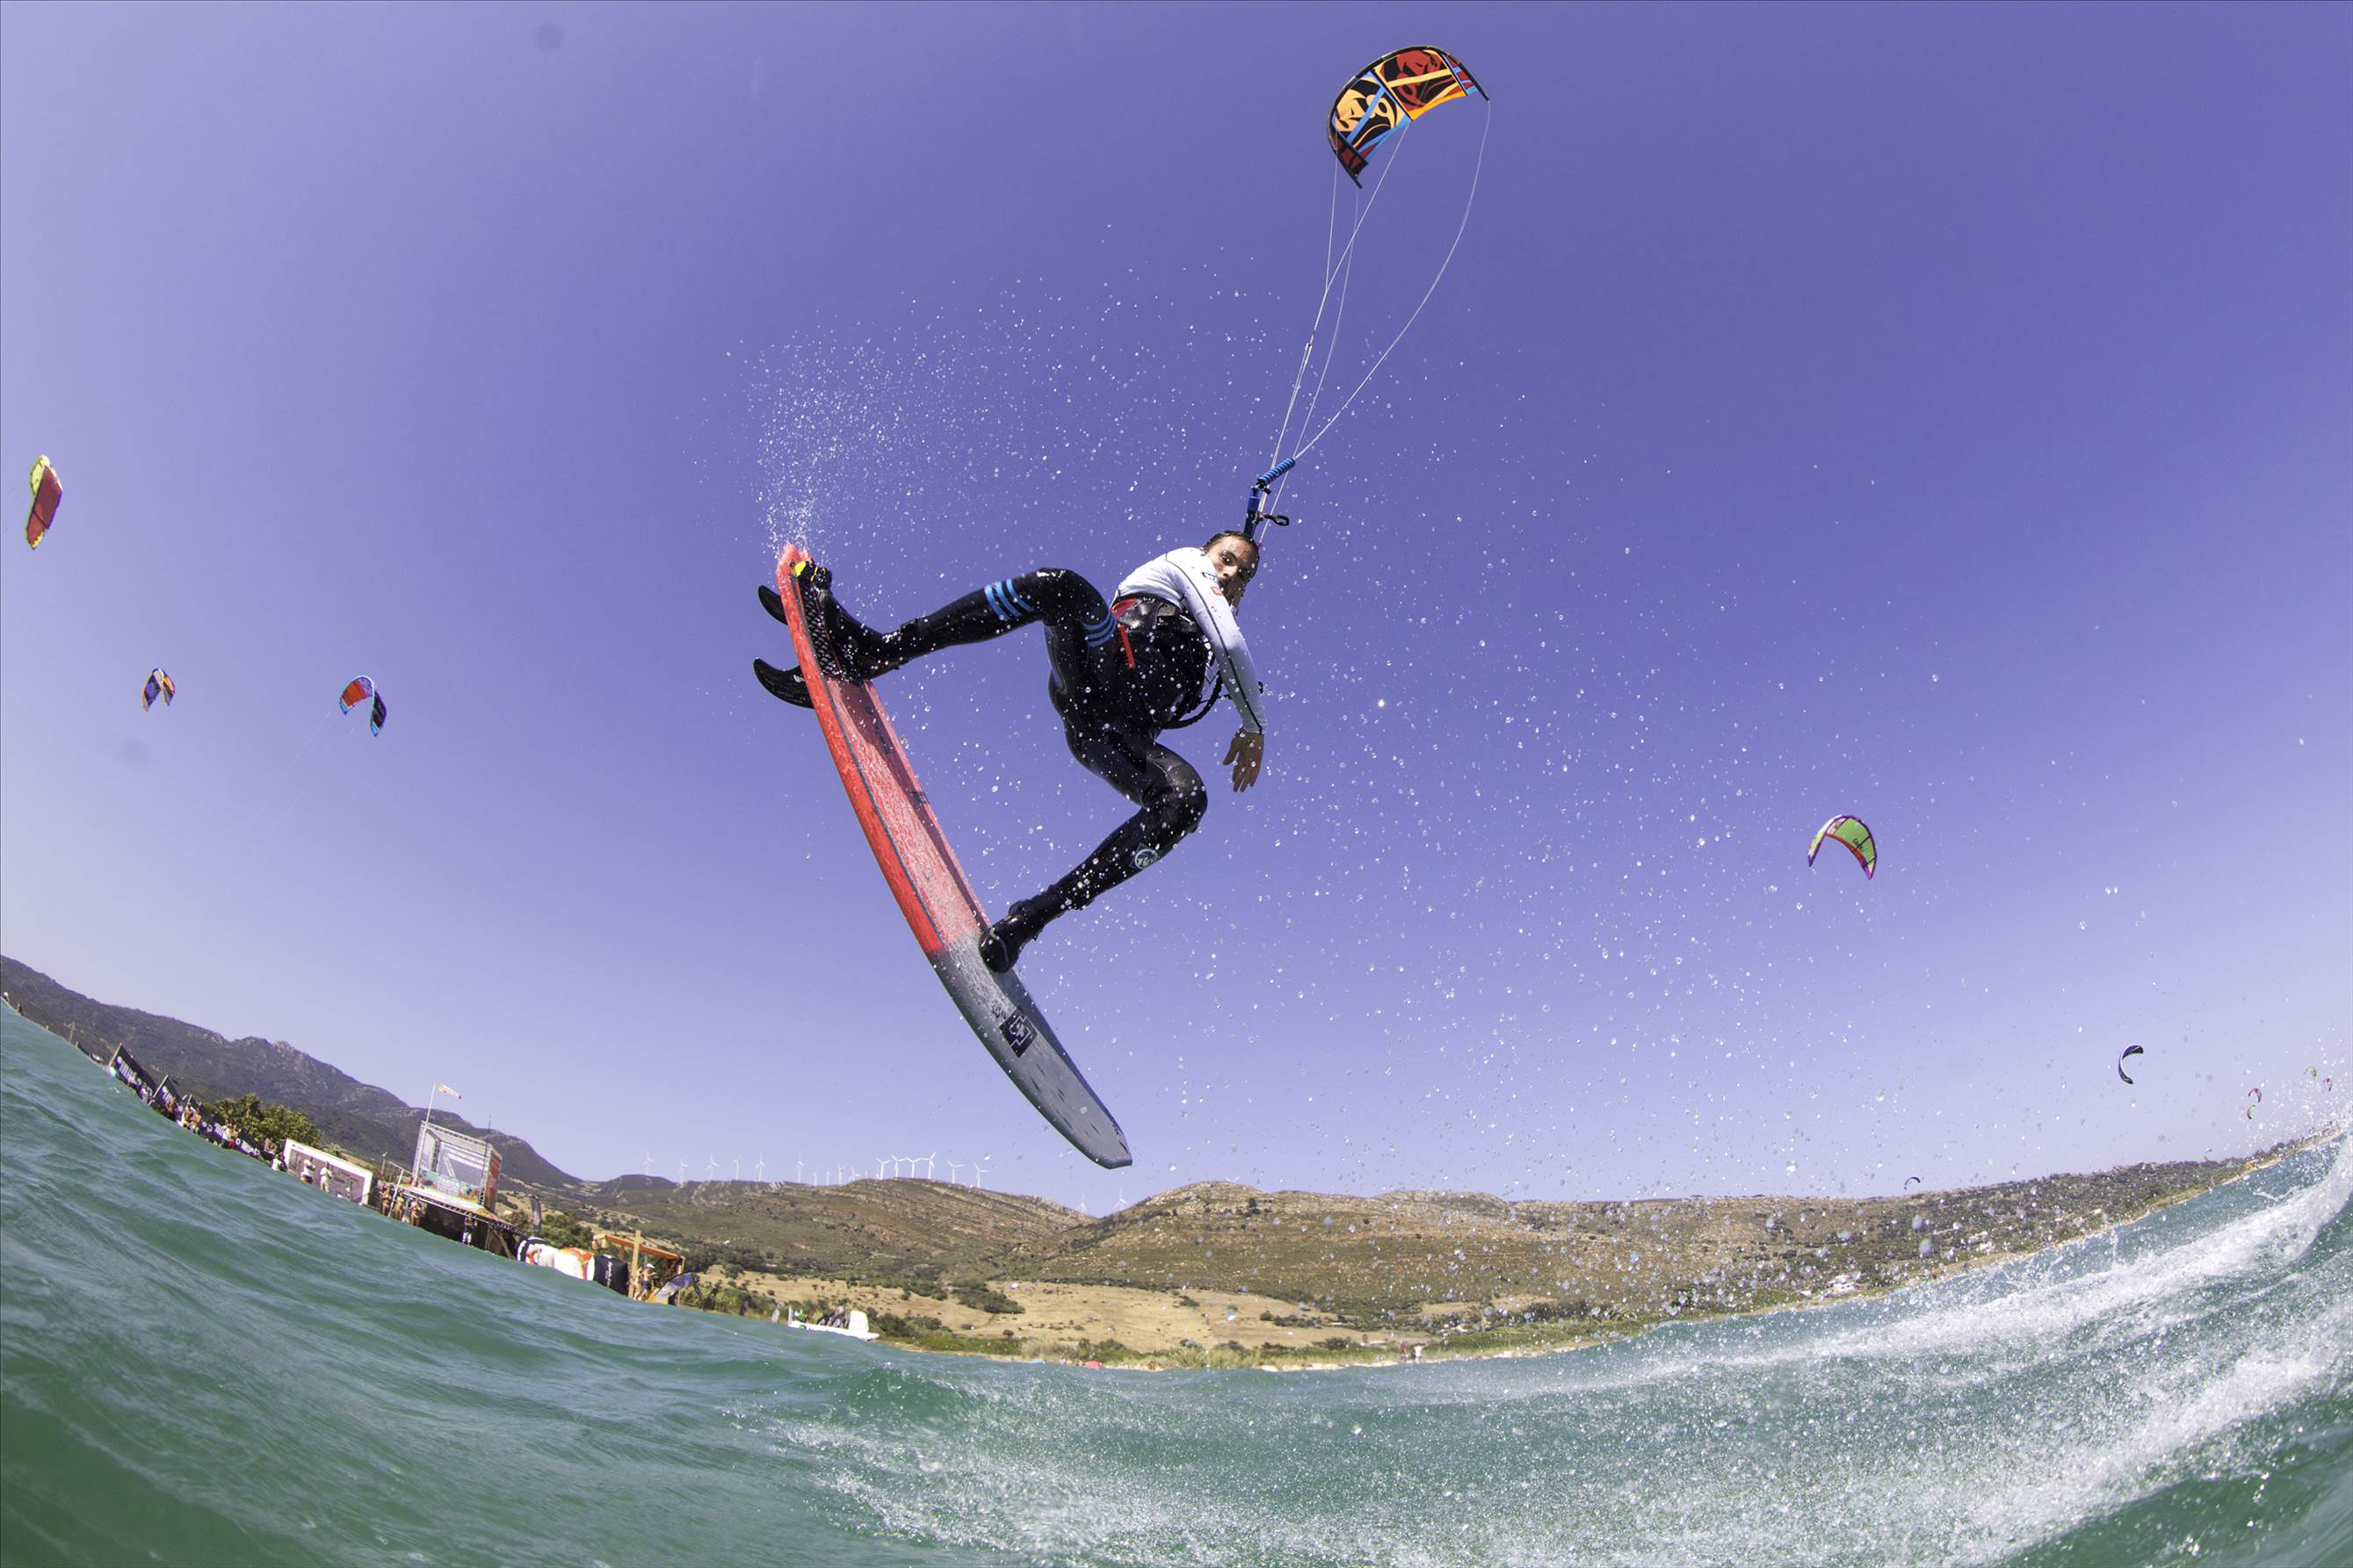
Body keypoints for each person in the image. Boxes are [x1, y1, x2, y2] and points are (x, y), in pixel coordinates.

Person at [761, 532, 1268, 971]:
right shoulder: (1184, 567)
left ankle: (1033, 917)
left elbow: (1227, 646)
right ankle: (880, 650)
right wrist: (1254, 727)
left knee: (1186, 800)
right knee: (1062, 588)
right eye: (1225, 559)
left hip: (1111, 737)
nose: (1230, 575)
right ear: (1205, 554)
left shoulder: (1212, 636)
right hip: (1100, 670)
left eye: (1243, 575)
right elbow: (1231, 644)